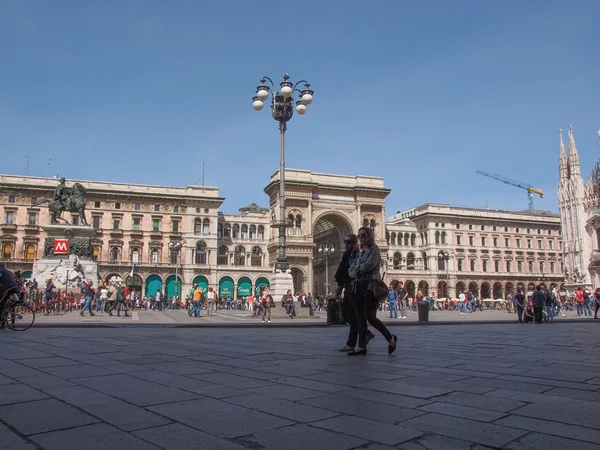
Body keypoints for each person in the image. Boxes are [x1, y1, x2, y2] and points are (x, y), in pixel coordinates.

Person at [347, 227, 397, 356]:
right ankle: (361, 346)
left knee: (371, 317)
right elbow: (351, 269)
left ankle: (390, 338)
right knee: (360, 318)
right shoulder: (361, 251)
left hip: (370, 286)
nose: (361, 238)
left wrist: (358, 268)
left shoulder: (375, 250)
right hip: (358, 286)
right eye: (359, 236)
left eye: (363, 235)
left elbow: (369, 265)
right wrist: (358, 268)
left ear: (369, 236)